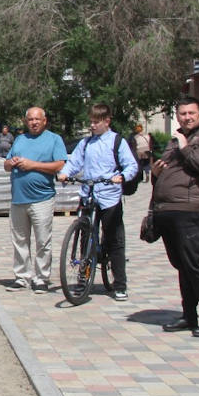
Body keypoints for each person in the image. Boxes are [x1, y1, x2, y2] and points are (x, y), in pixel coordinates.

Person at [151, 97, 199, 338]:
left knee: (194, 263)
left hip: (193, 211)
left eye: (190, 113)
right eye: (182, 113)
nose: (186, 117)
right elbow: (168, 172)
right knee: (183, 265)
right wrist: (156, 174)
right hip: (170, 210)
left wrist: (185, 148)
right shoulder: (178, 140)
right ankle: (189, 315)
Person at [58, 103, 139, 301]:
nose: (92, 126)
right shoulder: (86, 143)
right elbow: (74, 162)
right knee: (85, 238)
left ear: (106, 121)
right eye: (91, 122)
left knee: (114, 240)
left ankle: (120, 285)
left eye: (96, 122)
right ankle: (84, 279)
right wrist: (65, 173)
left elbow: (131, 165)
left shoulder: (117, 141)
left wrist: (122, 176)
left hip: (109, 196)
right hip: (89, 195)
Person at [3, 107, 67, 293]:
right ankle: (21, 277)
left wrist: (33, 165)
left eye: (37, 119)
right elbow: (6, 165)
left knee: (42, 241)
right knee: (20, 240)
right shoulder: (20, 139)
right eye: (30, 119)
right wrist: (11, 162)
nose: (34, 122)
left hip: (42, 199)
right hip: (18, 199)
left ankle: (41, 278)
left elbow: (60, 165)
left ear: (45, 120)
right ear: (26, 121)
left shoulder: (54, 139)